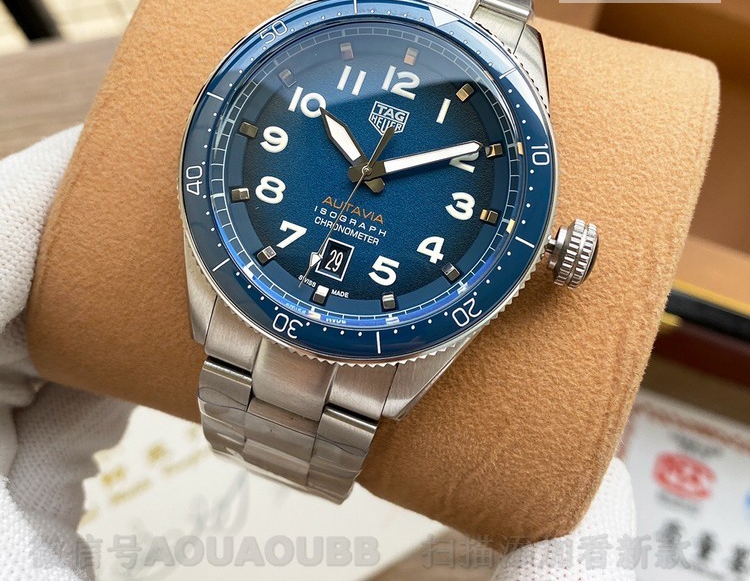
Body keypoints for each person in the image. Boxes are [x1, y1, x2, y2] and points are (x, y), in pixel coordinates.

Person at [0, 127, 637, 579]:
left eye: (371, 174)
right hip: (248, 307)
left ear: (554, 249)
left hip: (368, 351)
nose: (367, 176)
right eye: (360, 162)